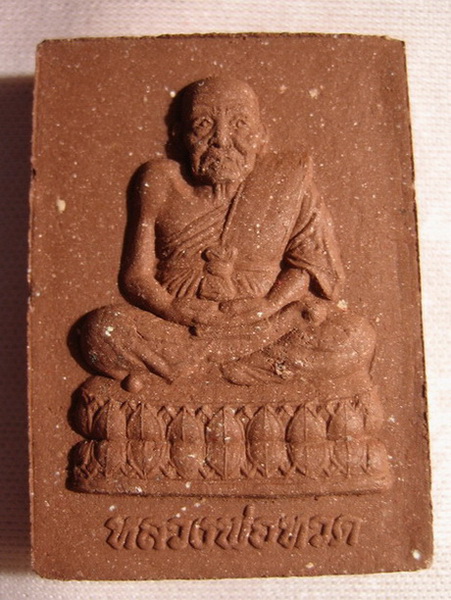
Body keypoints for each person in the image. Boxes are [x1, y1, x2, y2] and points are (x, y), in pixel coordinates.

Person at [80, 76, 376, 393]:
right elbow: (136, 275)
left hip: (266, 323)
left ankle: (189, 371)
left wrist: (269, 305)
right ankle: (235, 368)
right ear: (179, 136)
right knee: (103, 330)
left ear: (262, 136)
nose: (221, 140)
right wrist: (169, 307)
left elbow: (307, 266)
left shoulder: (287, 180)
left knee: (354, 337)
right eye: (204, 125)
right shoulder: (160, 181)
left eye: (239, 125)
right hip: (180, 326)